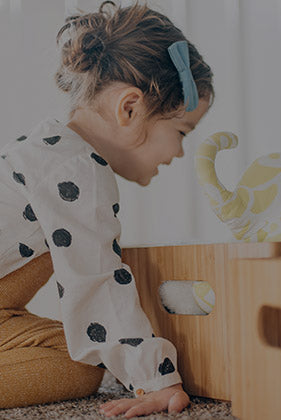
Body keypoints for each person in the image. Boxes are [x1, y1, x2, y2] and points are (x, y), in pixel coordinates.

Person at [0, 1, 213, 417]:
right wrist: (157, 379)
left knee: (78, 357)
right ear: (129, 108)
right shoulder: (77, 169)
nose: (180, 152)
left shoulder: (52, 153)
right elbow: (97, 281)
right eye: (181, 132)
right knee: (78, 371)